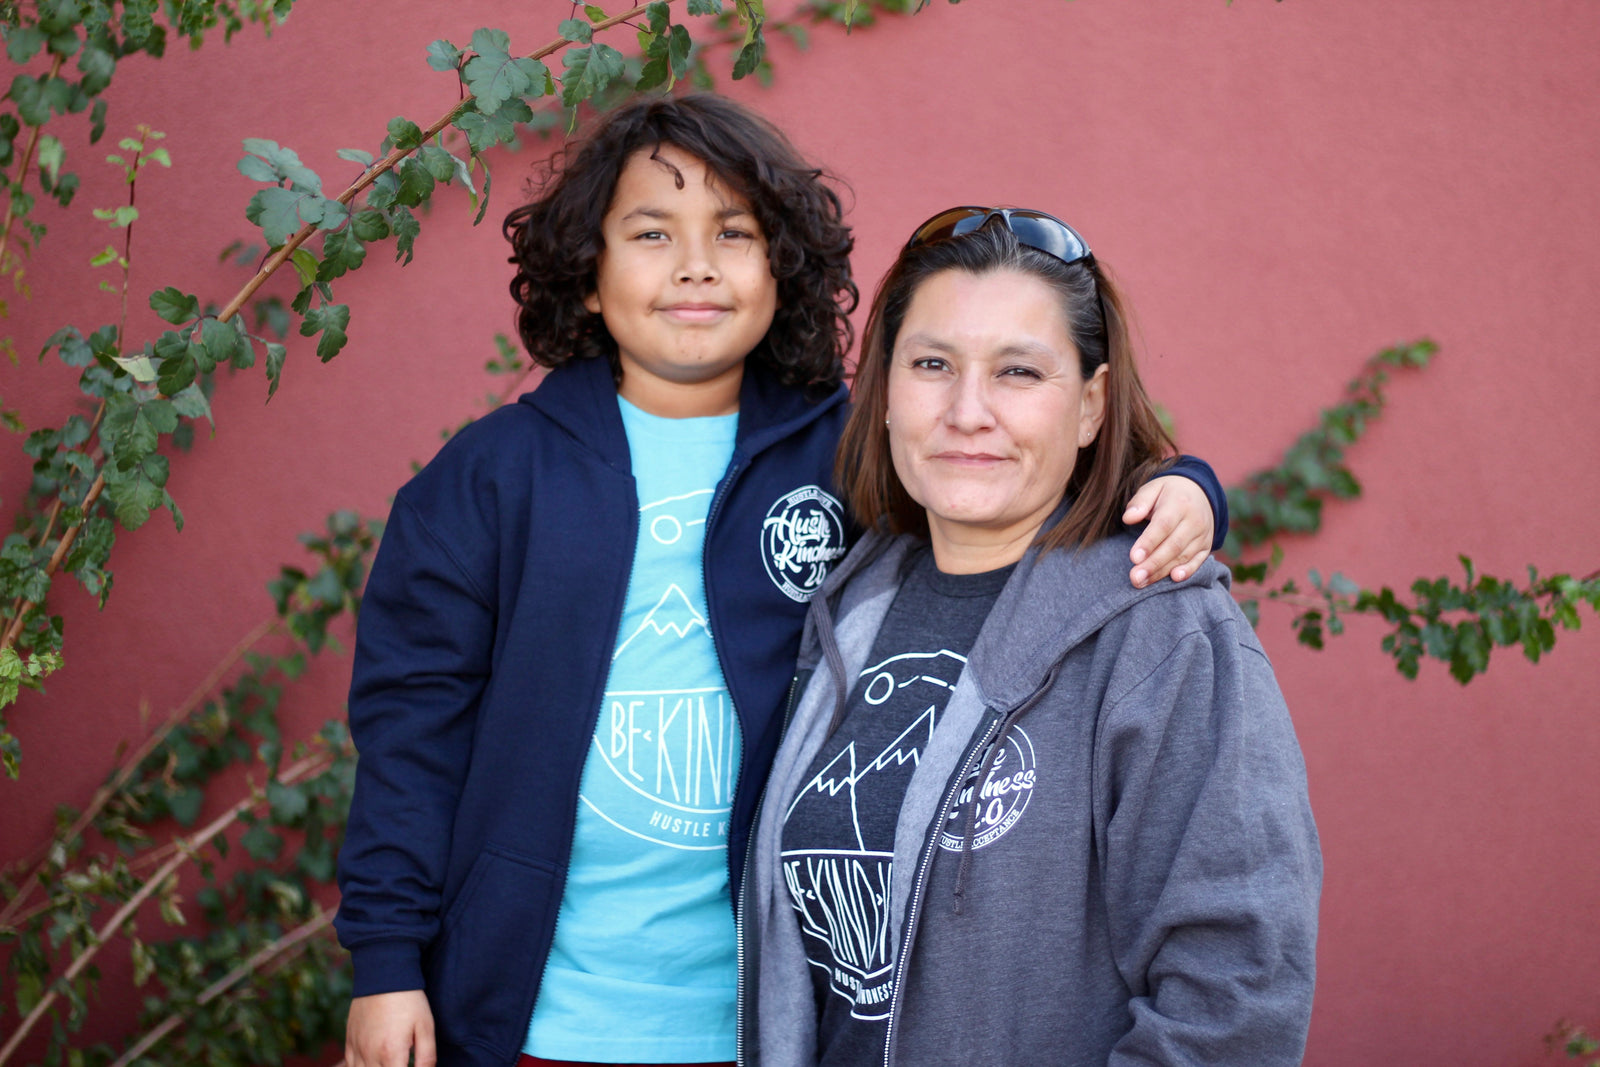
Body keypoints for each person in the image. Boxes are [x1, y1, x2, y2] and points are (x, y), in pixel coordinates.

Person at [333, 98, 1229, 1067]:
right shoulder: (489, 478)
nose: (695, 265)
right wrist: (386, 962)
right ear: (586, 276)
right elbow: (411, 731)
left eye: (734, 233)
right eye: (649, 233)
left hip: (778, 1007)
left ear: (781, 270)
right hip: (533, 1004)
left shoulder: (847, 448)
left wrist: (1182, 485)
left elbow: (1013, 478)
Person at [741, 208, 1321, 1066]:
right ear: (885, 391)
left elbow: (1237, 992)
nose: (967, 411)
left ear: (1089, 405)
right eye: (932, 364)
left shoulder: (1163, 632)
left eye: (1018, 371)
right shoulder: (849, 606)